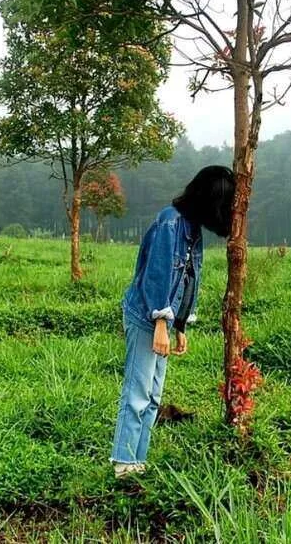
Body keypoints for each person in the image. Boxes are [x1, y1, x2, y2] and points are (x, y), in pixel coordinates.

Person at [111, 165, 234, 478]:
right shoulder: (171, 221)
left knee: (153, 396)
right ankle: (124, 463)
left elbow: (190, 278)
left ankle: (137, 461)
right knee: (138, 392)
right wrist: (162, 323)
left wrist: (180, 325)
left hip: (164, 320)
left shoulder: (192, 229)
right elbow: (157, 274)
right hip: (145, 316)